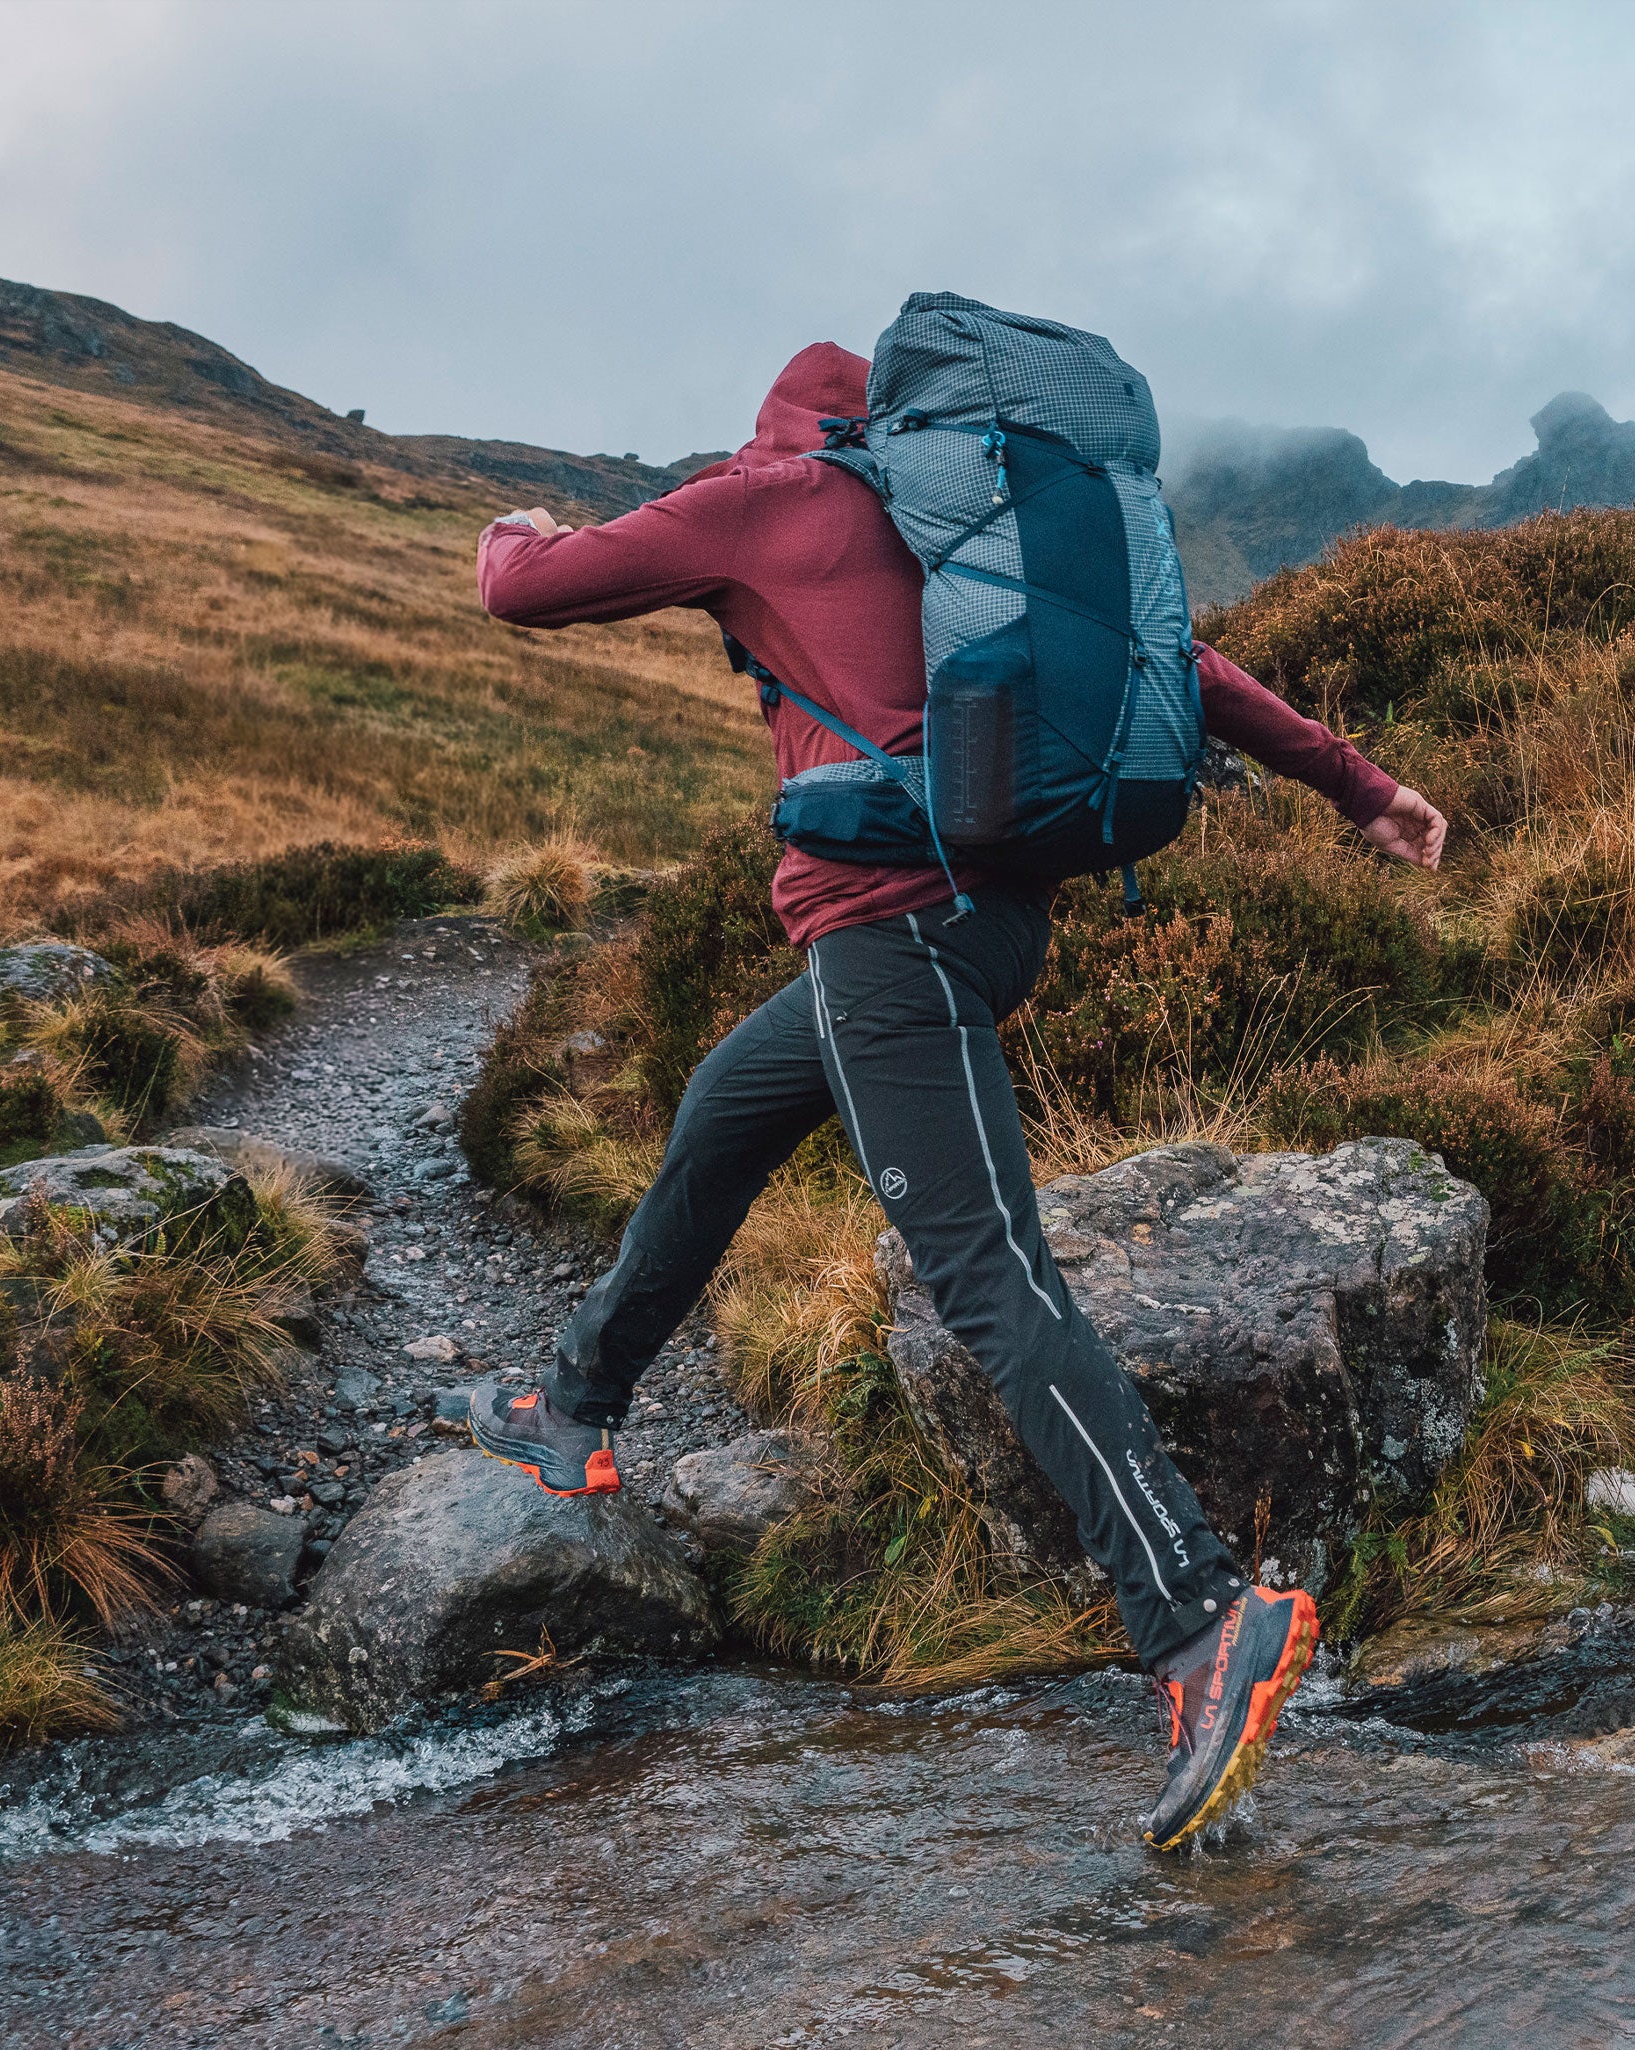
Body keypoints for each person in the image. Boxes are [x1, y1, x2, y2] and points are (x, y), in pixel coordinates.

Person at [468, 342, 1448, 1848]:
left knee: (986, 1276)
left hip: (886, 939)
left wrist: (513, 531)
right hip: (978, 926)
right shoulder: (970, 523)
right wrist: (1361, 786)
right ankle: (577, 1398)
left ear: (780, 429)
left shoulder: (766, 497)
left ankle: (1196, 1617)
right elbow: (1183, 671)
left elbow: (521, 595)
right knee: (730, 1105)